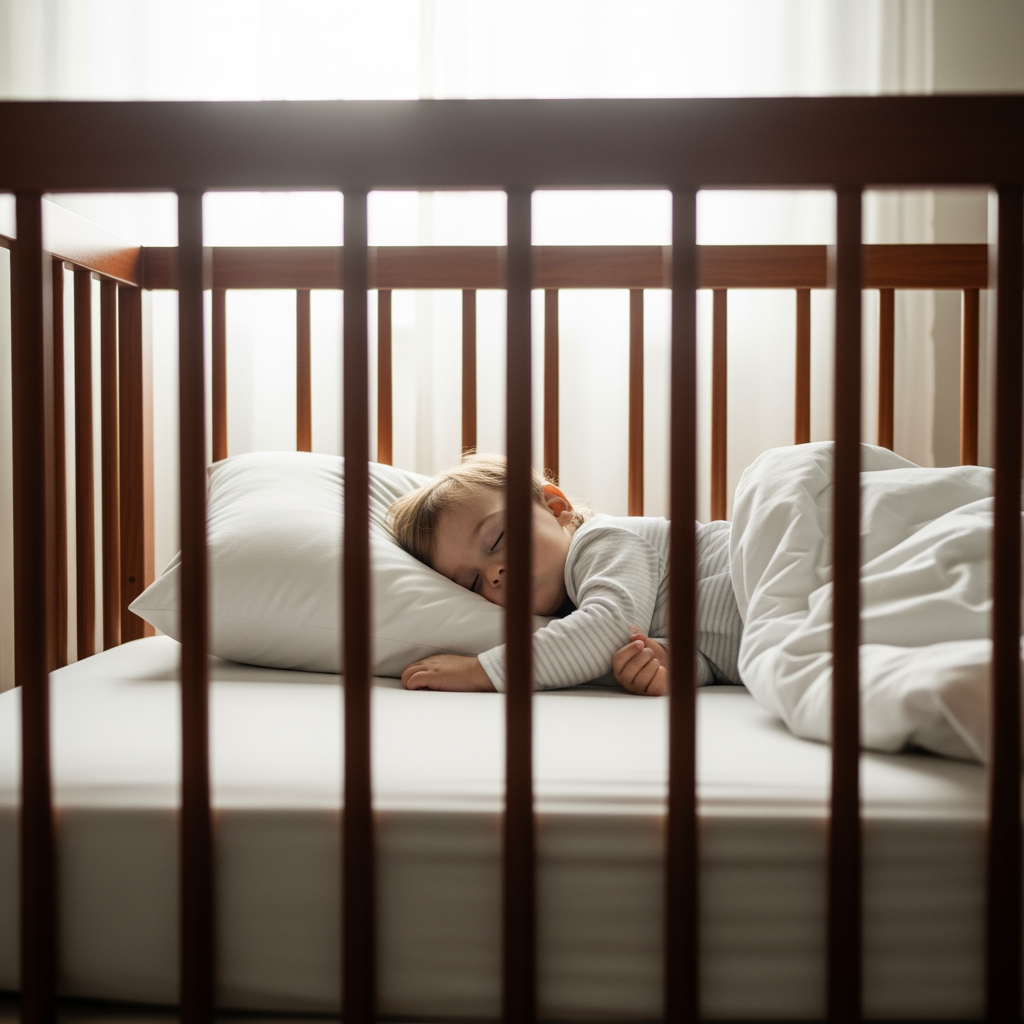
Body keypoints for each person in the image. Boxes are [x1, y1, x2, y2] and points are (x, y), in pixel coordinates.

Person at [387, 453, 743, 695]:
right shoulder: (575, 605)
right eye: (472, 583)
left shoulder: (604, 540)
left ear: (557, 508)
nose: (494, 573)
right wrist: (665, 666)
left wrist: (481, 671)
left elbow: (607, 627)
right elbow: (715, 652)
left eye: (497, 538)